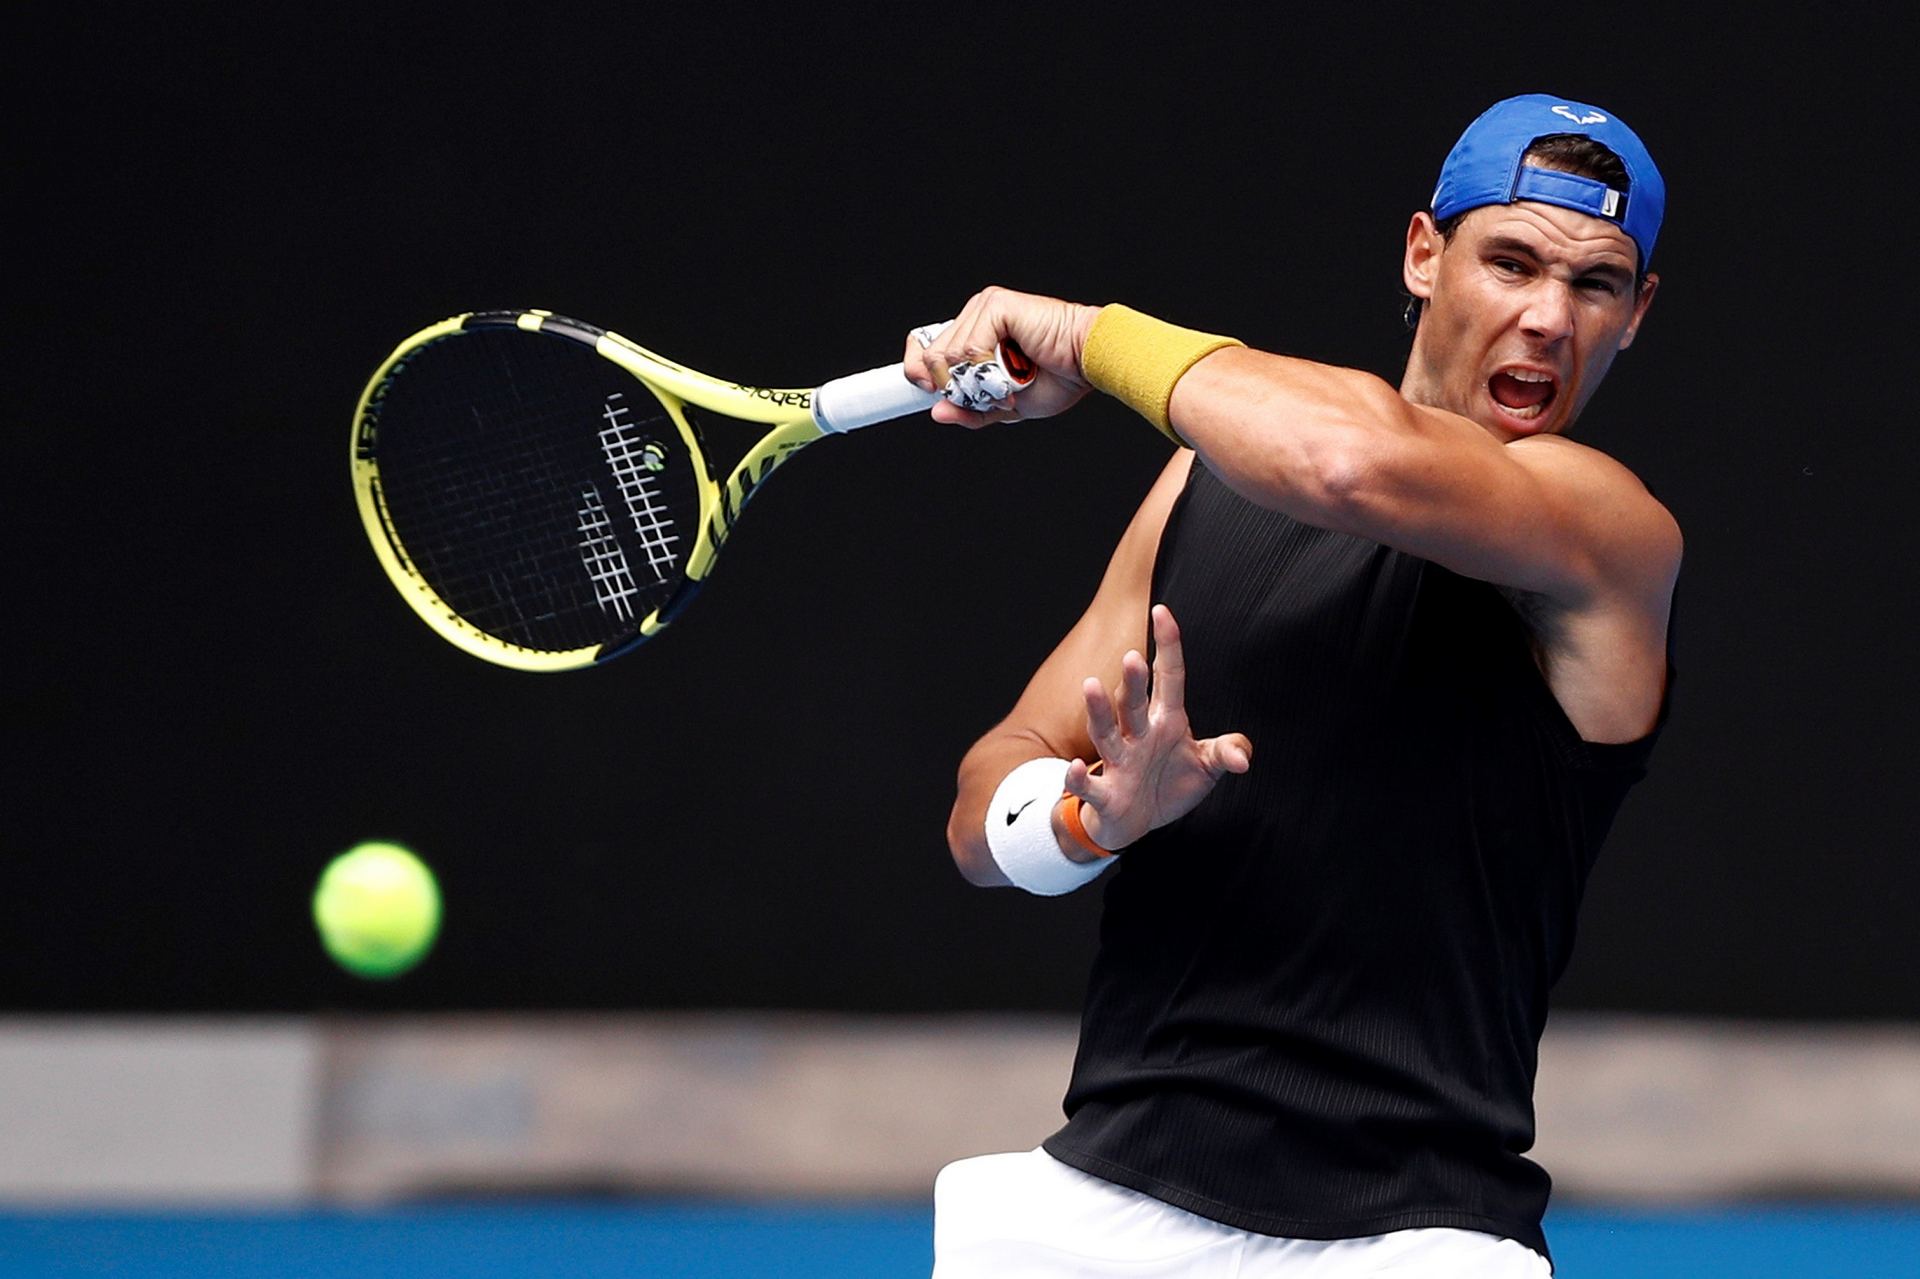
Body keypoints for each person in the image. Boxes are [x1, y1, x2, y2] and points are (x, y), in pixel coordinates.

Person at [904, 94, 1678, 1278]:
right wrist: (1085, 814)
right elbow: (978, 809)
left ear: (1637, 316)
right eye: (1510, 261)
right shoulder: (1199, 488)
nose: (1545, 317)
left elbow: (1351, 461)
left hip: (1415, 1240)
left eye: (1596, 286)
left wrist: (1082, 336)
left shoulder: (1608, 532)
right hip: (1104, 1210)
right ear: (1425, 254)